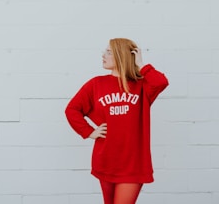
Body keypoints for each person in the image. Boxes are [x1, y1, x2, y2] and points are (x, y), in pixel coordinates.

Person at [65, 38, 169, 204]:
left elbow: (161, 82)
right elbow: (72, 109)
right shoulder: (96, 84)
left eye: (108, 52)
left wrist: (141, 65)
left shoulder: (142, 86)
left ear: (121, 56)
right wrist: (89, 131)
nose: (103, 55)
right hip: (105, 160)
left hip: (133, 164)